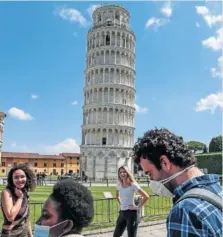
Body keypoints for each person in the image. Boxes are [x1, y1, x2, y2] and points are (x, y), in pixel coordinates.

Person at [133, 128, 223, 237]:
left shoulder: (185, 212)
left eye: (150, 174)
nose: (151, 181)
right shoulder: (218, 190)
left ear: (164, 163)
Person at [1, 164, 36, 237]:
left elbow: (26, 219)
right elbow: (10, 217)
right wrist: (20, 197)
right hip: (11, 234)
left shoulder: (25, 192)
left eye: (22, 176)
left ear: (27, 178)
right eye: (16, 177)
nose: (20, 180)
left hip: (24, 234)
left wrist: (31, 235)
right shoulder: (7, 193)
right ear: (12, 179)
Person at [113, 166, 149, 237]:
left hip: (132, 214)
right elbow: (117, 196)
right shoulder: (119, 185)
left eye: (124, 172)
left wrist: (137, 207)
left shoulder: (133, 185)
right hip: (122, 213)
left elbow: (146, 196)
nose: (122, 174)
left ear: (128, 173)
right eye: (120, 172)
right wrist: (122, 204)